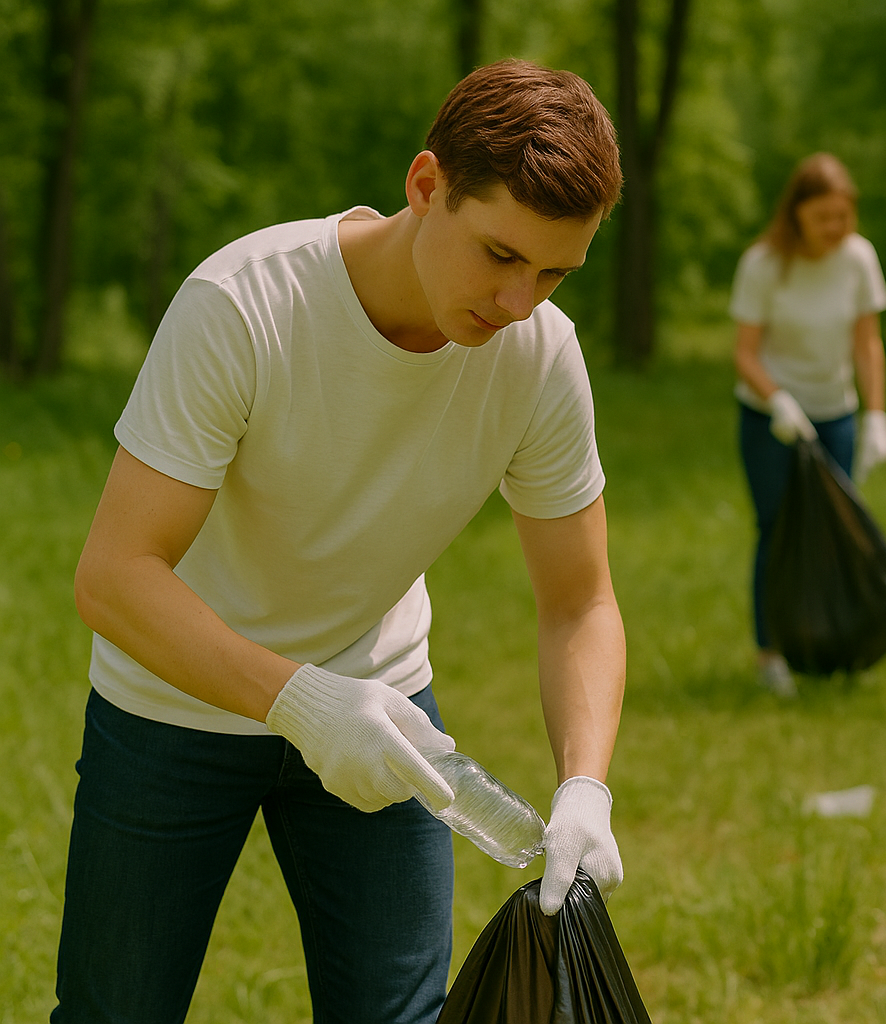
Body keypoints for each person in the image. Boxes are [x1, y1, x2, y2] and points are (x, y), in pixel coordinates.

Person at [54, 59, 627, 1024]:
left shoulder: (538, 357)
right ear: (425, 185)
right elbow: (114, 578)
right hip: (173, 709)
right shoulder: (245, 305)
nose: (520, 301)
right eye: (499, 255)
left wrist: (584, 783)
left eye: (555, 271)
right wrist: (301, 702)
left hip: (384, 716)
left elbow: (582, 601)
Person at [729, 152, 886, 698]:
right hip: (770, 421)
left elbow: (867, 342)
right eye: (824, 216)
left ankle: (834, 645)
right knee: (778, 530)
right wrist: (778, 401)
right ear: (796, 213)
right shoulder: (764, 264)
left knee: (835, 529)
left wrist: (875, 415)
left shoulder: (858, 258)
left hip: (835, 413)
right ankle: (770, 653)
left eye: (844, 215)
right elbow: (745, 354)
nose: (836, 228)